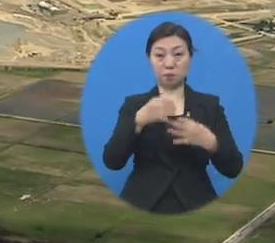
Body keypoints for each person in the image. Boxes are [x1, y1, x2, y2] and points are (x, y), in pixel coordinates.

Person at [102, 21, 243, 213]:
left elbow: (233, 168)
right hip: (142, 201)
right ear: (149, 58)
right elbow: (112, 161)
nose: (169, 63)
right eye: (159, 55)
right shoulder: (134, 105)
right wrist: (138, 122)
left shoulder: (210, 106)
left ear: (190, 57)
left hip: (196, 201)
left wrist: (209, 141)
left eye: (178, 54)